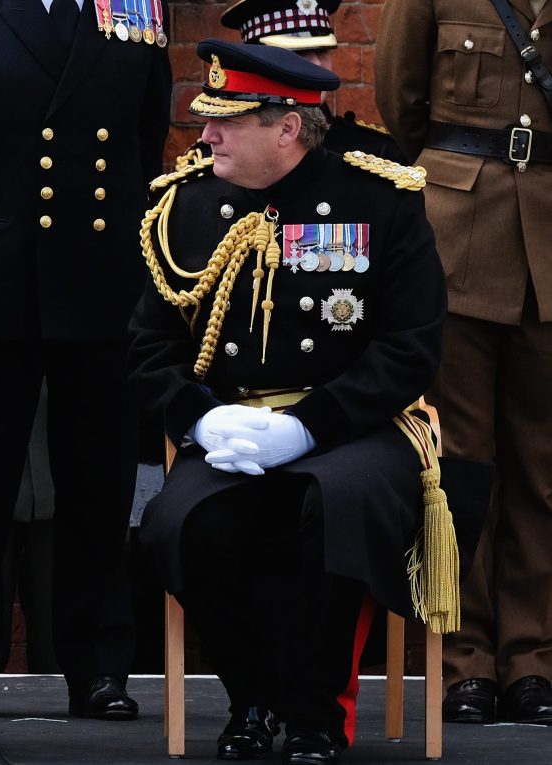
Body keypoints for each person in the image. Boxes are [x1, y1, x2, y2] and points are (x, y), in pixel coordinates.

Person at [128, 40, 452, 763]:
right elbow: (148, 351)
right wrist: (203, 417)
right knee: (176, 524)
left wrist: (307, 428)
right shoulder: (182, 206)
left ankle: (311, 712)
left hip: (353, 424)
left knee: (334, 504)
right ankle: (253, 699)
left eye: (225, 121)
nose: (204, 133)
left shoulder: (378, 198)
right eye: (205, 119)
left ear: (285, 127)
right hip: (235, 425)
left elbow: (409, 347)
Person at [0, 0, 172, 720]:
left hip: (99, 272)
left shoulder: (137, 7)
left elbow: (148, 137)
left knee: (100, 481)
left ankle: (97, 666)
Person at [376, 0, 552, 726]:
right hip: (457, 236)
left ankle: (532, 658)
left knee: (542, 470)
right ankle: (464, 661)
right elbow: (399, 100)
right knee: (460, 467)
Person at [221, 0, 407, 161]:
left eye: (322, 51)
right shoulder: (220, 156)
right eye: (299, 53)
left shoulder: (378, 153)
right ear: (256, 62)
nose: (317, 64)